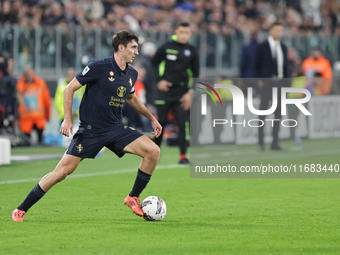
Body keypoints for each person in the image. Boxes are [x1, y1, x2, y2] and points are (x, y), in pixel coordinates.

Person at [11, 30, 162, 222]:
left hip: (116, 129)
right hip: (91, 131)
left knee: (153, 151)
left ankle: (133, 196)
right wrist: (67, 119)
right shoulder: (98, 67)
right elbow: (69, 88)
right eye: (133, 47)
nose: (136, 52)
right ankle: (21, 209)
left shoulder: (131, 73)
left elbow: (132, 98)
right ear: (121, 48)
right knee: (61, 173)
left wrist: (152, 118)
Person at [151, 22, 199, 164]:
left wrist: (191, 93)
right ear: (175, 31)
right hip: (165, 93)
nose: (184, 35)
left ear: (190, 34)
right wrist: (159, 81)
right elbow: (153, 64)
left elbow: (196, 74)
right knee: (161, 123)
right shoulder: (166, 47)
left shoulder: (192, 50)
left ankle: (183, 156)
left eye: (186, 32)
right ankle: (154, 154)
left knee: (182, 123)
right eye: (181, 32)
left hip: (182, 94)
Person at [253, 22, 289, 151]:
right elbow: (256, 65)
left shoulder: (283, 47)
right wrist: (259, 81)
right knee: (263, 112)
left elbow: (285, 66)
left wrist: (287, 82)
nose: (279, 33)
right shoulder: (262, 47)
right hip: (267, 83)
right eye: (276, 30)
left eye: (281, 30)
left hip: (279, 83)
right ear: (271, 31)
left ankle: (275, 143)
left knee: (278, 114)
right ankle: (261, 142)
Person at [16, 67, 51, 144]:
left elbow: (47, 101)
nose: (29, 76)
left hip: (39, 118)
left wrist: (48, 115)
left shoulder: (41, 84)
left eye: (30, 73)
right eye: (27, 74)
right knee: (26, 142)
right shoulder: (20, 85)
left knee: (40, 140)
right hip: (26, 119)